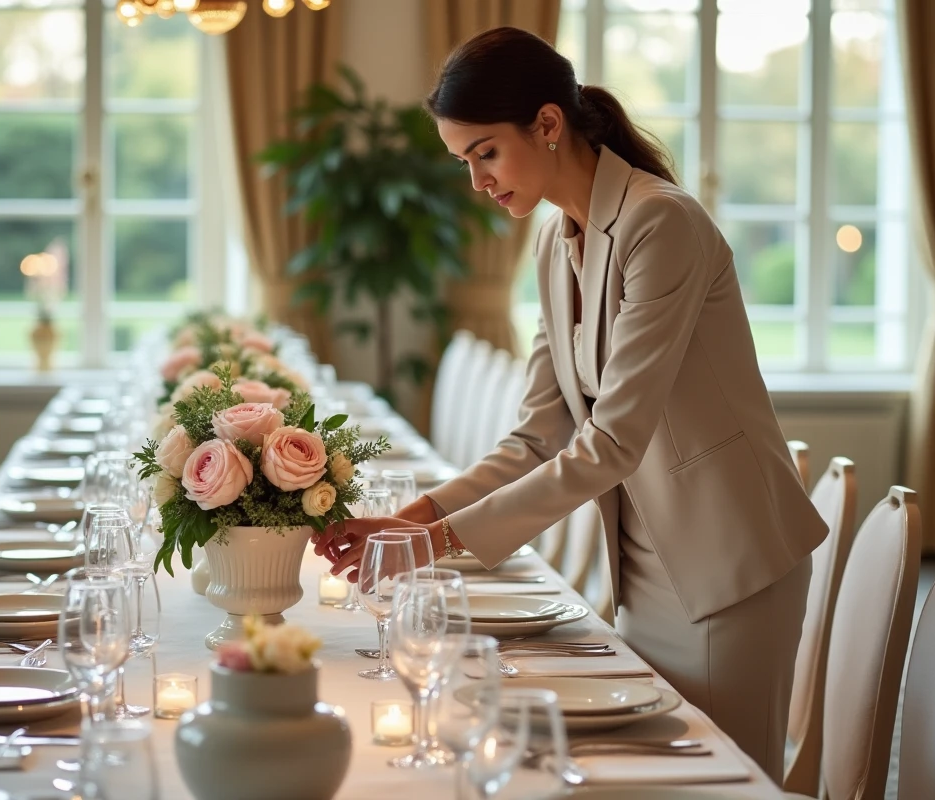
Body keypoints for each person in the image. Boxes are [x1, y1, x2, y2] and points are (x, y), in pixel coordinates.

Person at [313, 26, 826, 781]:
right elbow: (535, 437)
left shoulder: (663, 223)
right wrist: (412, 520)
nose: (477, 181)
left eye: (485, 152)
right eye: (464, 162)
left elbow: (612, 441)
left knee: (717, 784)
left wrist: (439, 541)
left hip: (726, 569)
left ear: (548, 124)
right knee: (652, 780)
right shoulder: (559, 241)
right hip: (644, 568)